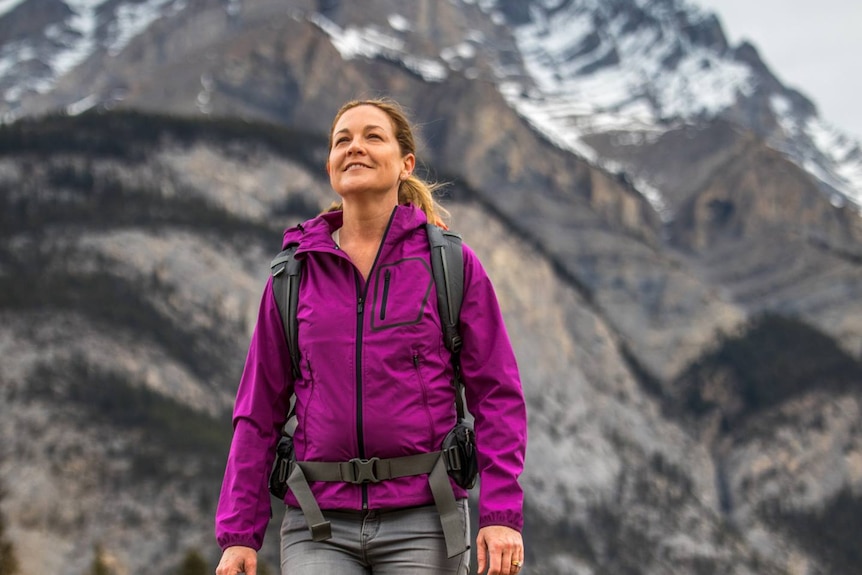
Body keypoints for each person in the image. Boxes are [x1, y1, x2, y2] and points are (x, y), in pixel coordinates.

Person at [214, 97, 527, 575]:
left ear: (405, 164)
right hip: (316, 525)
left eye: (372, 137)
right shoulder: (292, 276)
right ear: (330, 166)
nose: (354, 147)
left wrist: (501, 515)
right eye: (343, 140)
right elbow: (257, 413)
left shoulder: (450, 265)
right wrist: (239, 535)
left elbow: (498, 395)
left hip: (426, 518)